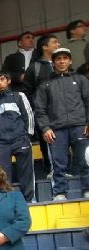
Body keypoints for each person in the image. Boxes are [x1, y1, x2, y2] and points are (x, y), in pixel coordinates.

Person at [34, 47, 89, 201]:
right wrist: (45, 128)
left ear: (70, 61)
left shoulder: (80, 79)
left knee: (85, 160)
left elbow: (88, 101)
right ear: (53, 62)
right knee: (59, 164)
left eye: (65, 58)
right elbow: (40, 109)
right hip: (56, 129)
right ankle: (60, 193)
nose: (62, 61)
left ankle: (88, 189)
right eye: (58, 59)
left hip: (80, 127)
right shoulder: (45, 85)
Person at [0, 71, 36, 202]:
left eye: (2, 79)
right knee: (2, 176)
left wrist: (28, 135)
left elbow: (28, 115)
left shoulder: (19, 96)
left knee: (26, 172)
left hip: (20, 139)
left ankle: (29, 199)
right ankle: (6, 202)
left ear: (8, 81)